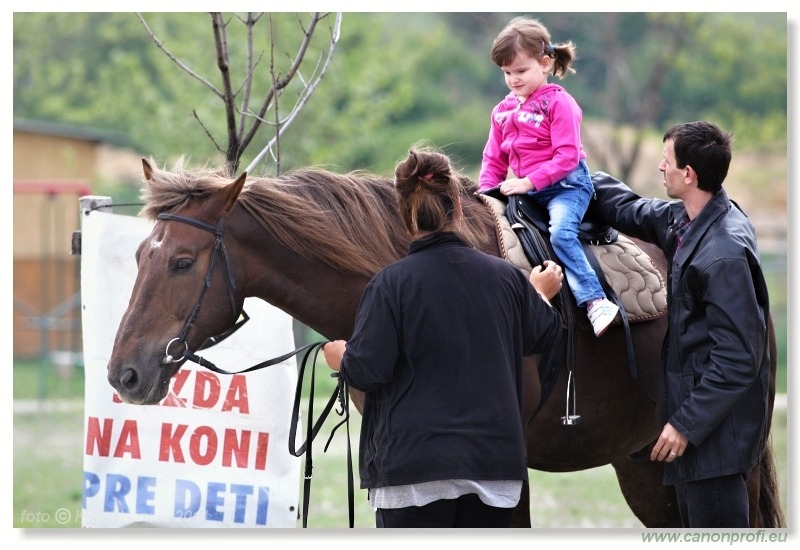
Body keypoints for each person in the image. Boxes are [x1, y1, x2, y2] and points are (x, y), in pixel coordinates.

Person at [322, 148, 564, 528]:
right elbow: (543, 335)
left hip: (411, 470)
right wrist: (536, 294)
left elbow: (368, 371)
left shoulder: (390, 285)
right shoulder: (505, 278)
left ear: (405, 214)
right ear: (460, 207)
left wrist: (341, 360)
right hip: (492, 469)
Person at [589, 121, 771, 528]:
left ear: (688, 175)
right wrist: (578, 177)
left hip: (716, 443)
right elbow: (634, 209)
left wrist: (685, 425)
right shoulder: (691, 221)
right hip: (702, 437)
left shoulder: (722, 253)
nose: (660, 168)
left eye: (666, 161)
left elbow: (740, 358)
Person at [478, 16, 618, 337]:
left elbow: (567, 157)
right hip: (526, 192)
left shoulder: (559, 103)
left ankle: (595, 301)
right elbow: (493, 157)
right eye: (507, 73)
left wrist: (528, 182)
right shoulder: (502, 111)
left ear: (544, 63)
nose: (513, 79)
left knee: (561, 234)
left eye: (521, 71)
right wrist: (485, 192)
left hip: (566, 187)